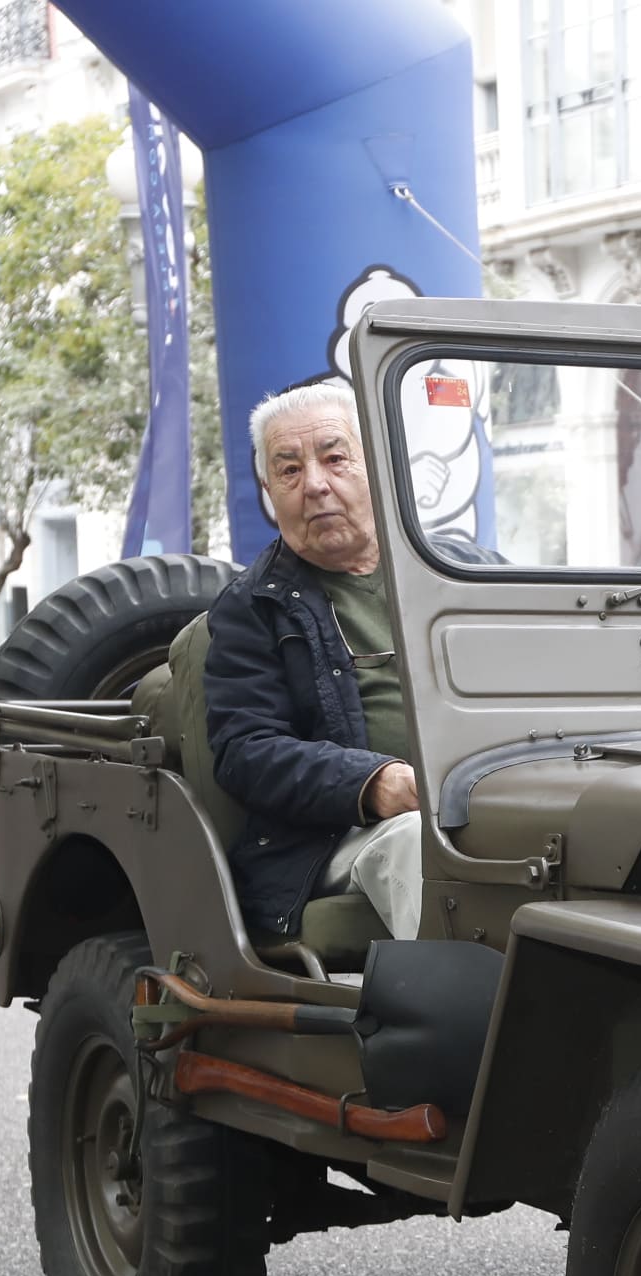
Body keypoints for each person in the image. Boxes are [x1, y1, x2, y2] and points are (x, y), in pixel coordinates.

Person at [204, 380, 426, 944]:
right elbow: (245, 751)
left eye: (334, 458)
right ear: (267, 493)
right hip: (339, 837)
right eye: (290, 470)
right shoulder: (251, 607)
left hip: (490, 801)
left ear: (373, 464)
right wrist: (373, 782)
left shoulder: (458, 572)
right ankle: (476, 1028)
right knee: (419, 843)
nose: (316, 485)